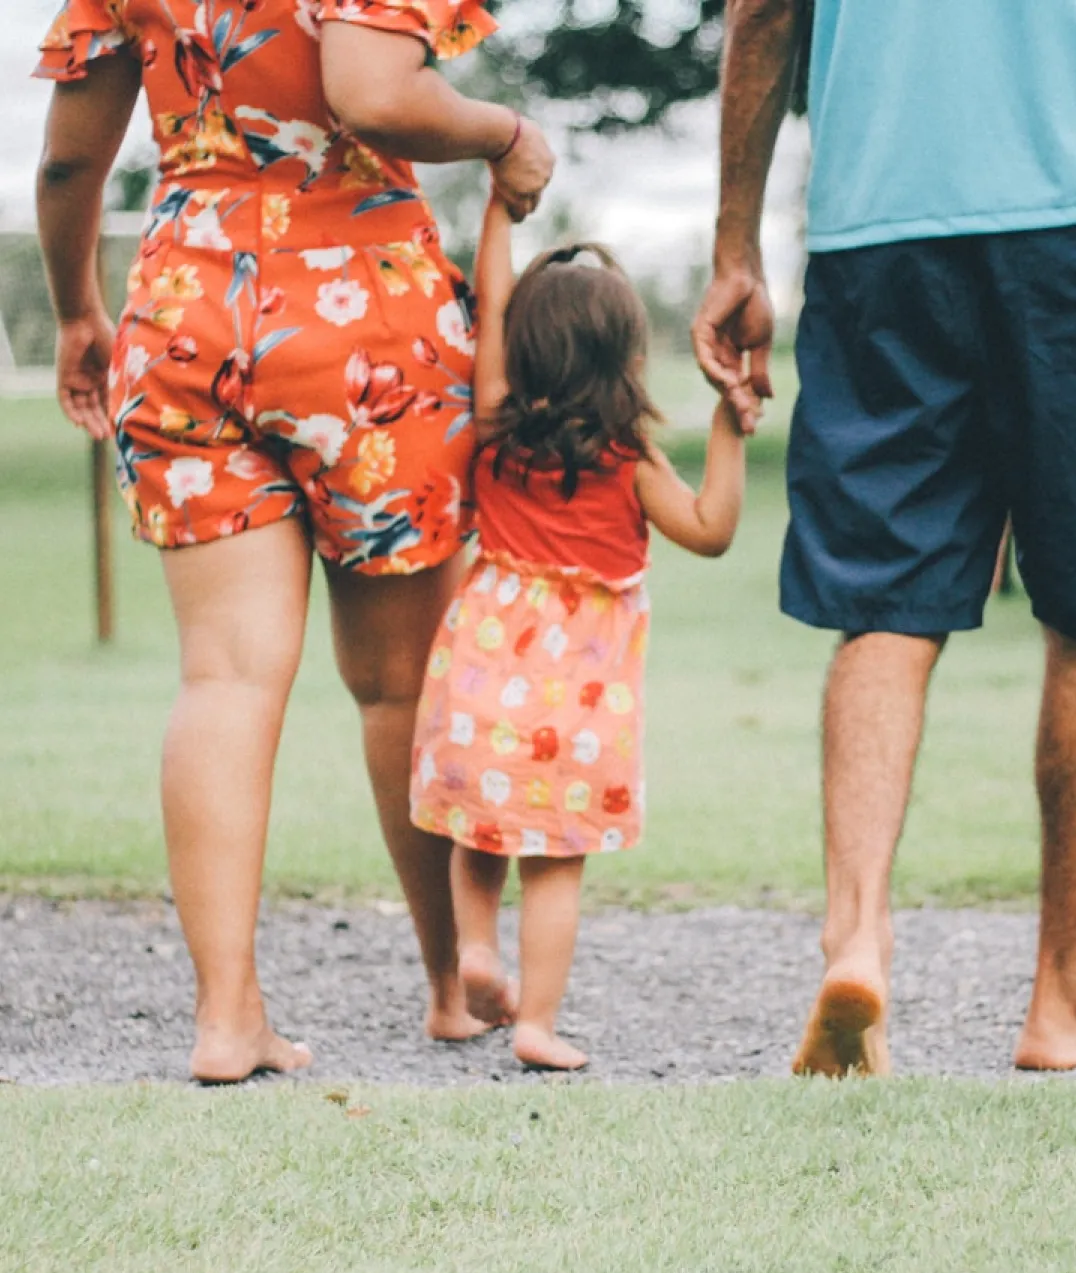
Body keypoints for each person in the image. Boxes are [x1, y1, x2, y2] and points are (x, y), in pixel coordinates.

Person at [693, 0, 1076, 1076]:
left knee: (884, 604)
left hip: (873, 225)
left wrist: (735, 244)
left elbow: (760, 14)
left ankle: (856, 936)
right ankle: (1061, 1000)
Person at [35, 0, 554, 1083]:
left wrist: (78, 310)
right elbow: (374, 93)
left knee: (222, 676)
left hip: (185, 311)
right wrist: (506, 134)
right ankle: (451, 982)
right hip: (362, 314)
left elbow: (70, 167)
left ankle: (229, 1015)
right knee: (396, 683)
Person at [409, 194, 747, 1070]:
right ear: (626, 355)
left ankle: (474, 950)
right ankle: (536, 1026)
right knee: (554, 861)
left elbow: (489, 299)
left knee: (479, 831)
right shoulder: (629, 458)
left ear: (519, 346)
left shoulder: (494, 426)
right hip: (580, 700)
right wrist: (728, 422)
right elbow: (711, 531)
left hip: (482, 674)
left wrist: (497, 211)